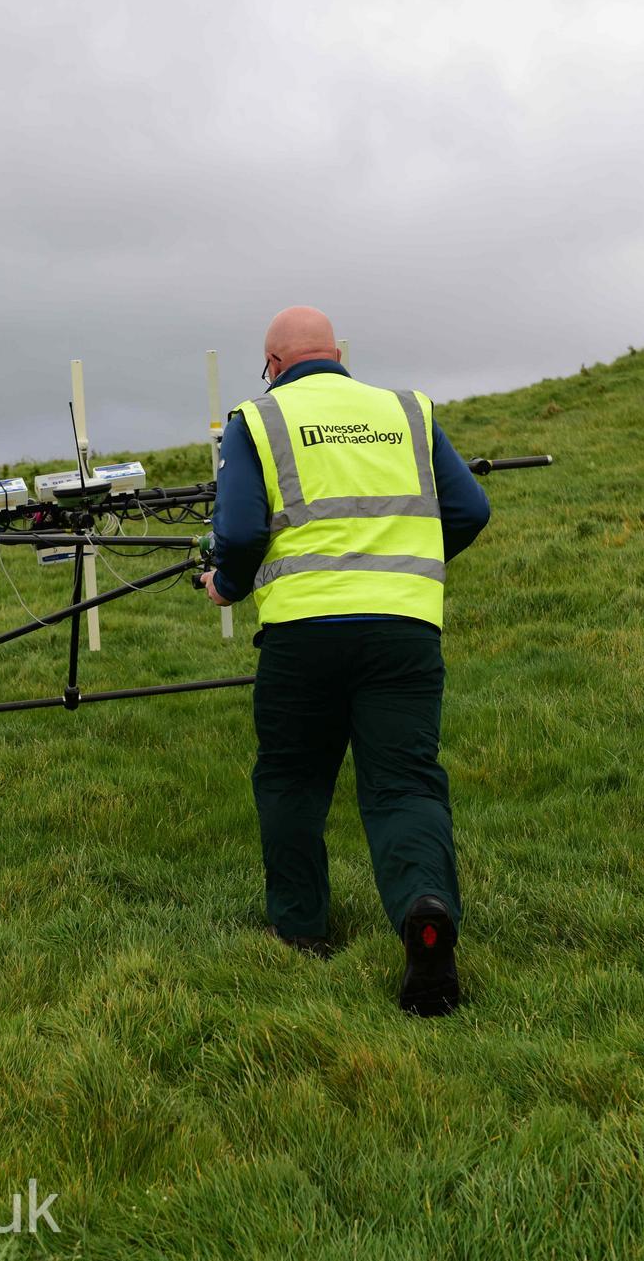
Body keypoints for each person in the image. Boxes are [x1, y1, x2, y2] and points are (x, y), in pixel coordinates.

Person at [199, 306, 490, 1016]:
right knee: (405, 784)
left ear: (272, 365)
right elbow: (471, 508)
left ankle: (301, 932)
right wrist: (406, 570)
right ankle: (423, 910)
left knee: (293, 780)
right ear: (337, 354)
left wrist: (224, 584)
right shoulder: (407, 410)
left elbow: (236, 530)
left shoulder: (257, 420)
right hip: (402, 630)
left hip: (302, 634)